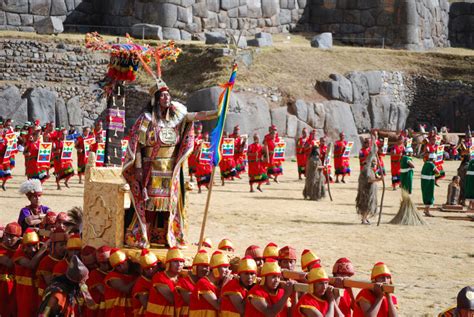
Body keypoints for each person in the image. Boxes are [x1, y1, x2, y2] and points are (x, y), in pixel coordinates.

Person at [122, 78, 222, 248]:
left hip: (171, 170)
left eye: (168, 95)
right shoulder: (146, 119)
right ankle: (144, 236)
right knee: (150, 204)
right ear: (155, 99)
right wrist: (138, 168)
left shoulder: (178, 116)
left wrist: (217, 112)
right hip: (151, 168)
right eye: (162, 96)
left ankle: (169, 236)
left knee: (170, 204)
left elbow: (196, 116)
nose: (166, 98)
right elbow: (137, 145)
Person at [13, 228, 49, 317]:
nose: (33, 249)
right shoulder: (19, 254)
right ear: (24, 246)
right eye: (29, 246)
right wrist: (43, 249)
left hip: (37, 295)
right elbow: (31, 265)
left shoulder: (39, 253)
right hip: (24, 296)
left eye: (34, 245)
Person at [189, 250, 232, 317]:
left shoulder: (218, 283)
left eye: (228, 267)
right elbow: (218, 306)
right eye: (224, 267)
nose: (227, 271)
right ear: (215, 268)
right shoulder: (203, 283)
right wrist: (225, 285)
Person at [146, 247, 184, 316]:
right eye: (175, 261)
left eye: (181, 261)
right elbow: (172, 299)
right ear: (168, 263)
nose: (179, 264)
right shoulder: (159, 277)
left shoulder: (181, 278)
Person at [175, 249, 210, 316]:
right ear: (195, 267)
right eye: (204, 266)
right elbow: (192, 302)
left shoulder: (205, 282)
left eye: (209, 267)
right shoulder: (183, 282)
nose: (207, 270)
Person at [36, 227, 68, 298]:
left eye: (66, 244)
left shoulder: (66, 259)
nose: (65, 247)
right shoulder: (46, 262)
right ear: (53, 245)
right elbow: (51, 283)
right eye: (61, 245)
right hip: (47, 299)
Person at [104, 248, 136, 316]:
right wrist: (138, 279)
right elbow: (126, 289)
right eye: (118, 266)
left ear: (127, 261)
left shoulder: (132, 274)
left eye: (123, 263)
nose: (122, 267)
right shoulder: (112, 277)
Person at [0, 222, 22, 317]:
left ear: (18, 238)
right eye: (7, 235)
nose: (8, 238)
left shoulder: (20, 249)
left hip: (16, 288)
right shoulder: (0, 248)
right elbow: (9, 263)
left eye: (12, 236)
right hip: (2, 288)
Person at [132, 248, 160, 317]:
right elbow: (148, 307)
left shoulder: (158, 277)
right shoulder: (140, 284)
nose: (151, 270)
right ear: (142, 270)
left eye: (153, 267)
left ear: (157, 266)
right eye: (147, 268)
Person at [356, 153, 382, 225]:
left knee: (369, 204)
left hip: (369, 190)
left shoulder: (371, 170)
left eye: (376, 162)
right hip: (366, 191)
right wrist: (378, 179)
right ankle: (364, 219)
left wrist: (378, 178)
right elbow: (368, 180)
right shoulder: (366, 170)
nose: (375, 164)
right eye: (374, 162)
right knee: (365, 204)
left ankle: (365, 218)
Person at [87, 245, 112, 317]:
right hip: (98, 310)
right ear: (98, 262)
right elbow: (103, 291)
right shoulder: (95, 273)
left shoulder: (114, 271)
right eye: (103, 263)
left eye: (108, 262)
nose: (107, 266)